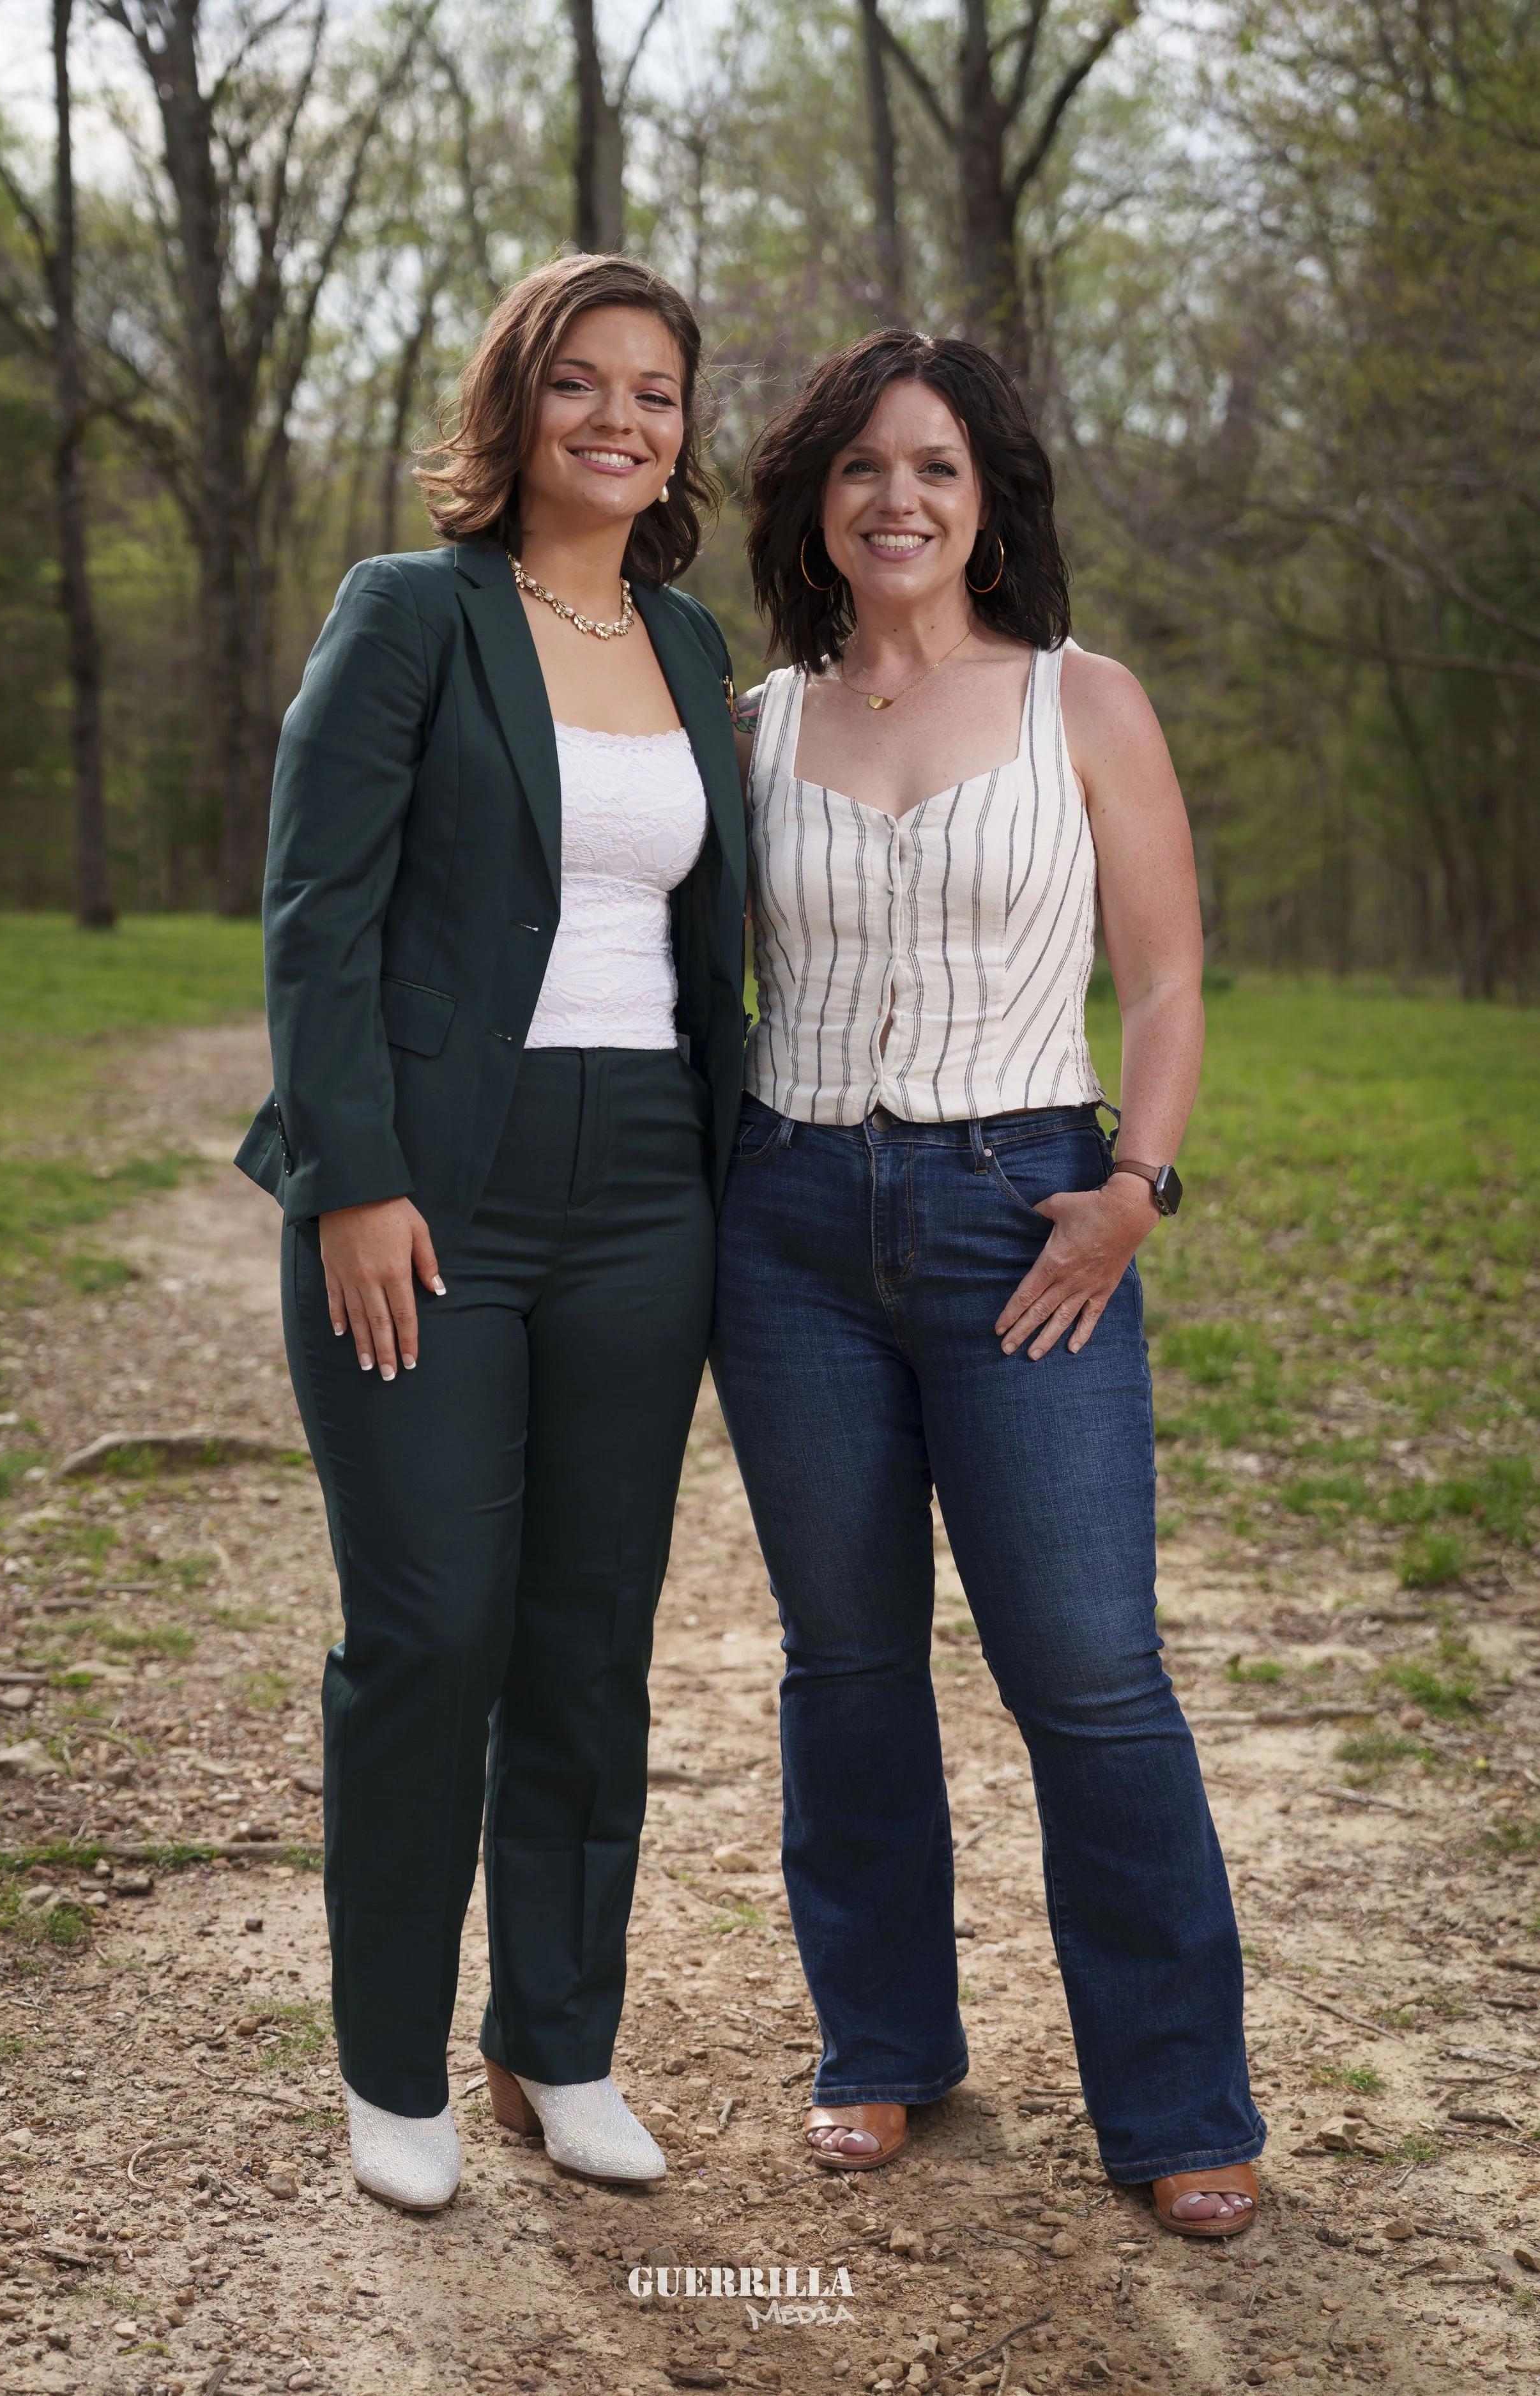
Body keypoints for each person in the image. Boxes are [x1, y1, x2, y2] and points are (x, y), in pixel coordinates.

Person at [712, 330, 1263, 2237]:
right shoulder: (755, 721)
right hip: (783, 1230)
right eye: (862, 467)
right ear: (814, 502)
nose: (897, 498)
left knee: (1091, 1672)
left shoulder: (1080, 703)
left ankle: (1178, 2099)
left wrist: (1133, 1186)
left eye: (935, 467)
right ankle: (879, 2045)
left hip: (1024, 1210)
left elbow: (1169, 976)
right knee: (844, 1663)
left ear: (986, 498)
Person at [236, 254, 746, 2209]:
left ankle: (558, 2041)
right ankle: (392, 2069)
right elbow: (313, 911)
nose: (621, 419)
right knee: (433, 1626)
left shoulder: (695, 648)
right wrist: (349, 1176)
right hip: (427, 1190)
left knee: (588, 1638)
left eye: (657, 392)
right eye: (581, 386)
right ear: (514, 405)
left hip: (647, 1196)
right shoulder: (409, 616)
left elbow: (709, 950)